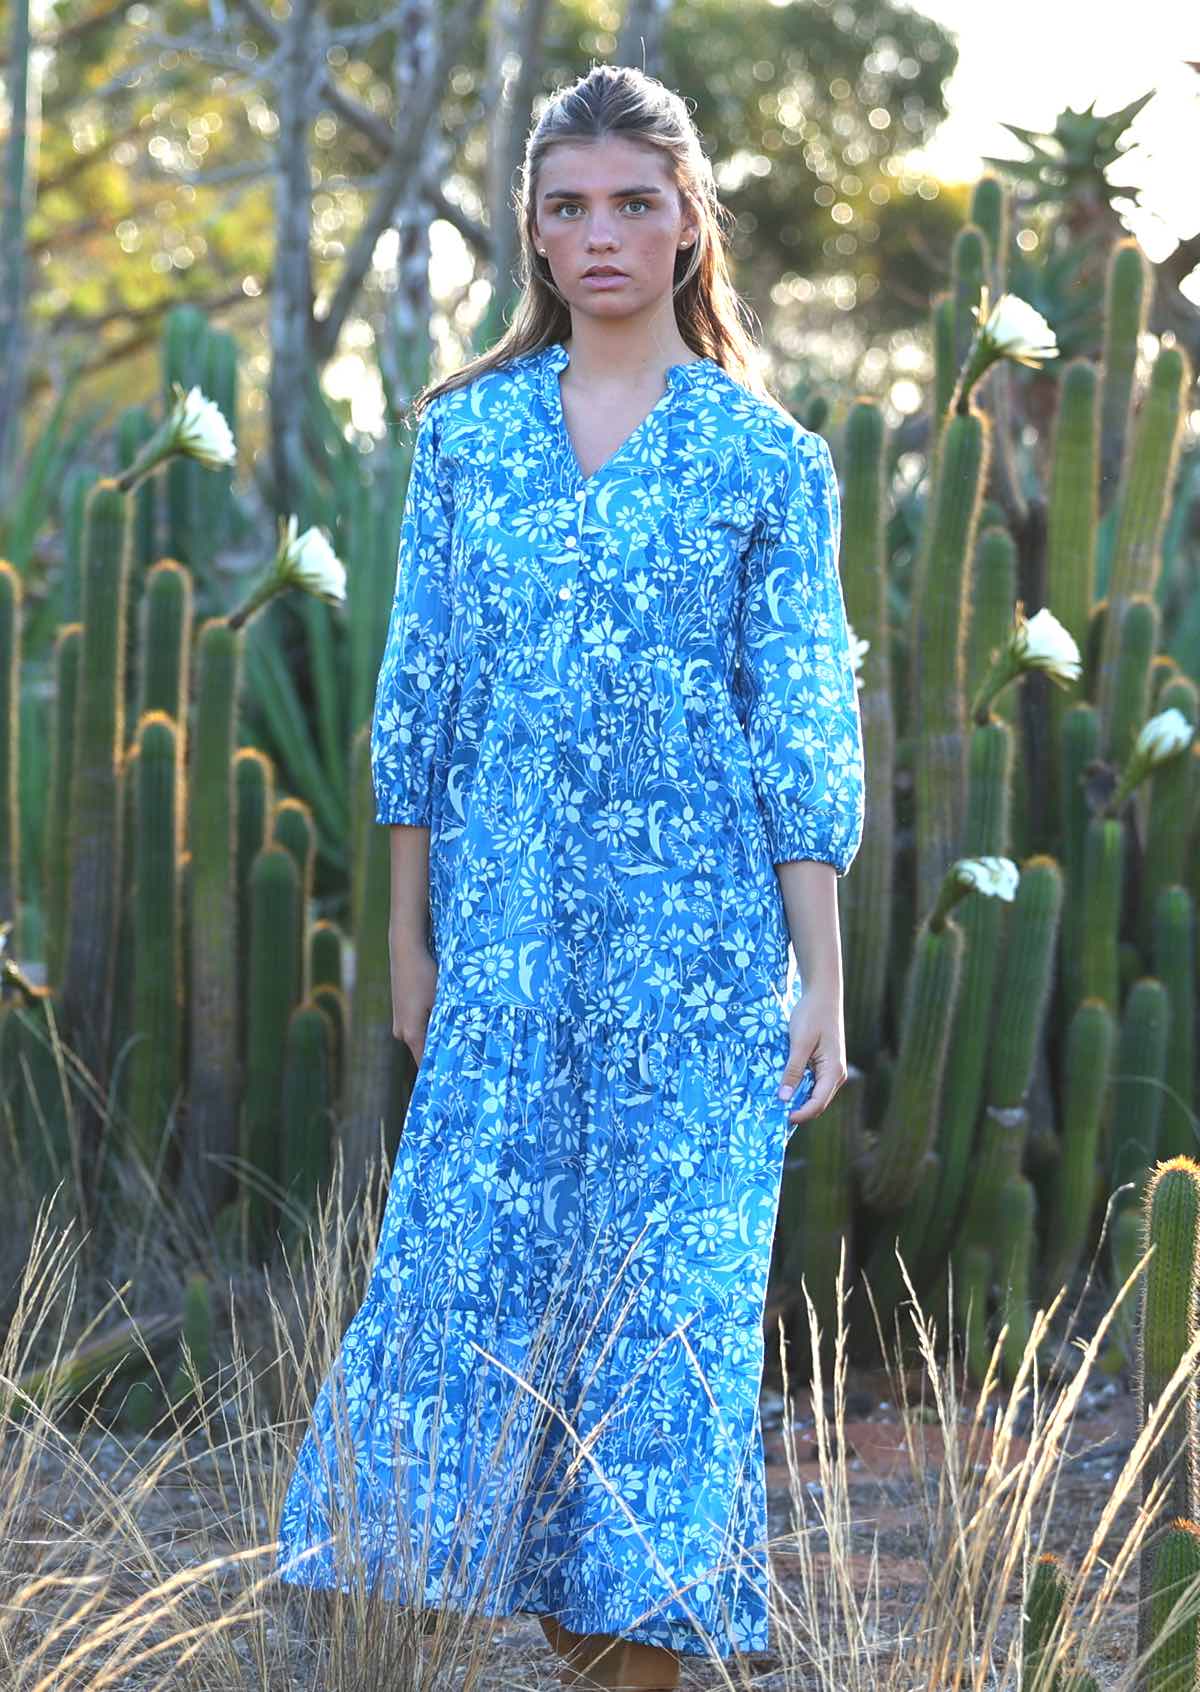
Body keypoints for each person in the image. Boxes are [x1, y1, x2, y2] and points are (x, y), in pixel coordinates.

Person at [275, 61, 866, 1692]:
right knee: (491, 1292)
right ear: (531, 234)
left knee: (665, 1325)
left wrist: (821, 982)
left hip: (700, 968)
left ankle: (632, 1668)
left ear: (688, 226)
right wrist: (409, 940)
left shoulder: (769, 463)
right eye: (566, 207)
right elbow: (421, 699)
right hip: (510, 956)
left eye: (632, 202)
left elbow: (802, 729)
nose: (599, 233)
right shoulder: (467, 443)